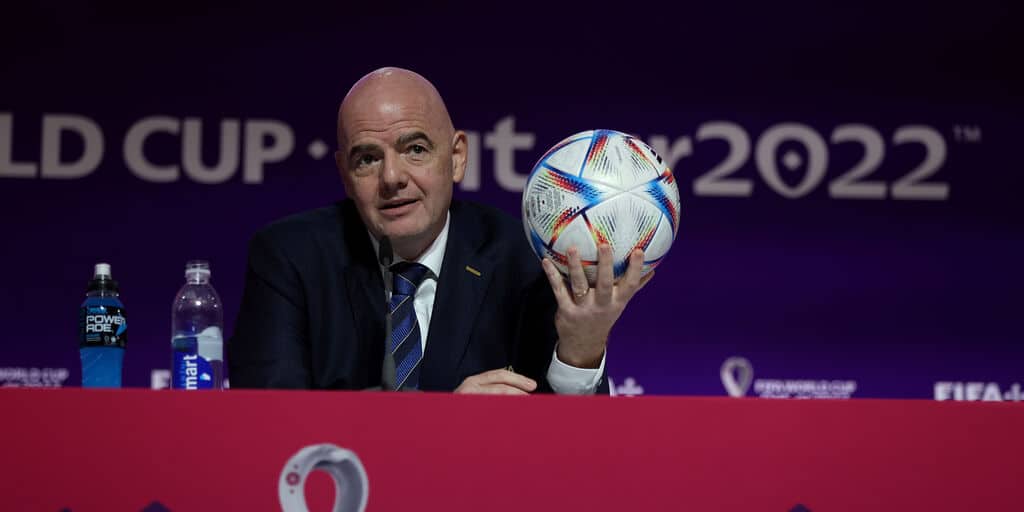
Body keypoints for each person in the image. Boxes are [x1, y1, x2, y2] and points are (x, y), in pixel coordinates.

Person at [228, 67, 652, 394]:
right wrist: (444, 419)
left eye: (415, 149)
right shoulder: (290, 257)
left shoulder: (521, 260)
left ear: (457, 157)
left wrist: (581, 350)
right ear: (344, 174)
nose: (392, 177)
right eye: (367, 159)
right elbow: (270, 420)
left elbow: (571, 447)